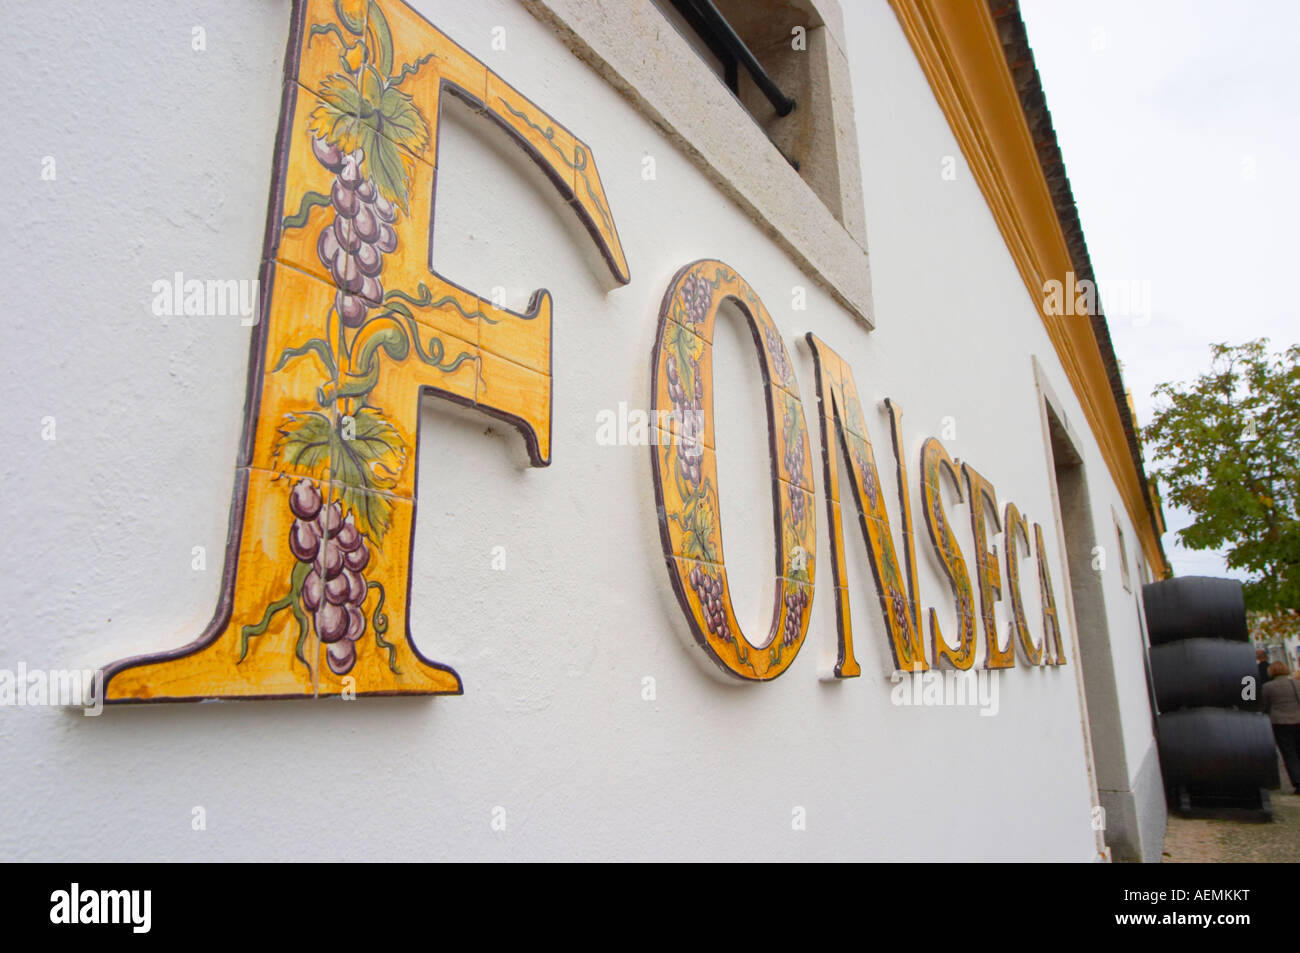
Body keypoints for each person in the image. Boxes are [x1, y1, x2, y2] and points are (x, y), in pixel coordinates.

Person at [1261, 661, 1300, 794]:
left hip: (1280, 722)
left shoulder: (1268, 687)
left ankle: (1297, 781)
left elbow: (1264, 706)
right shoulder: (1295, 683)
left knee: (1289, 752)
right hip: (1298, 719)